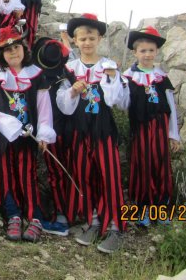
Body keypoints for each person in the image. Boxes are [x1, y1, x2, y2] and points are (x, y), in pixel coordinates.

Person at [56, 13, 128, 254]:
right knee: (84, 174)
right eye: (82, 38)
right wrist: (73, 91)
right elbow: (63, 105)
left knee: (109, 175)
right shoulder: (69, 69)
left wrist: (111, 79)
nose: (87, 42)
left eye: (91, 38)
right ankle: (94, 220)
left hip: (102, 128)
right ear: (75, 41)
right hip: (79, 129)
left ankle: (116, 226)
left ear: (100, 39)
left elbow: (115, 100)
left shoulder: (108, 66)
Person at [0, 25, 56, 242]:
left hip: (27, 136)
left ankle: (34, 217)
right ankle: (13, 215)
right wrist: (10, 124)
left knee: (27, 175)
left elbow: (44, 108)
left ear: (24, 48)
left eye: (16, 47)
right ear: (1, 54)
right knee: (1, 174)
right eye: (7, 50)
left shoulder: (36, 76)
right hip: (2, 137)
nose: (13, 52)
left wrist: (44, 134)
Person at [122, 26, 180, 226]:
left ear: (156, 52)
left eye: (151, 50)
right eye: (143, 51)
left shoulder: (162, 77)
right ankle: (143, 209)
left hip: (161, 128)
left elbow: (171, 107)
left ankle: (161, 208)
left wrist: (173, 134)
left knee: (161, 166)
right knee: (143, 166)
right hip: (141, 129)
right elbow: (123, 102)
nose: (147, 54)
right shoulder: (128, 77)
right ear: (135, 52)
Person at [31, 36, 72, 236]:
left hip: (53, 131)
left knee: (57, 172)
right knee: (60, 172)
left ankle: (62, 216)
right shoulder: (65, 77)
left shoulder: (39, 80)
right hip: (63, 128)